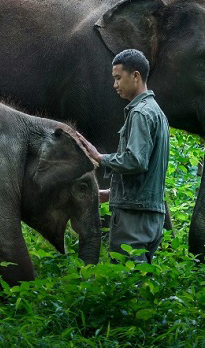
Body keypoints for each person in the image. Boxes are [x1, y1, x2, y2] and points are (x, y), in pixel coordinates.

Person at [79, 49, 169, 264]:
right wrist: (112, 193)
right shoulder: (157, 112)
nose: (115, 85)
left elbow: (136, 161)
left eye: (118, 78)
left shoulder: (139, 113)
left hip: (133, 219)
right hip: (151, 216)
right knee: (143, 283)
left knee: (128, 283)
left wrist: (101, 158)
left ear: (135, 76)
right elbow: (148, 170)